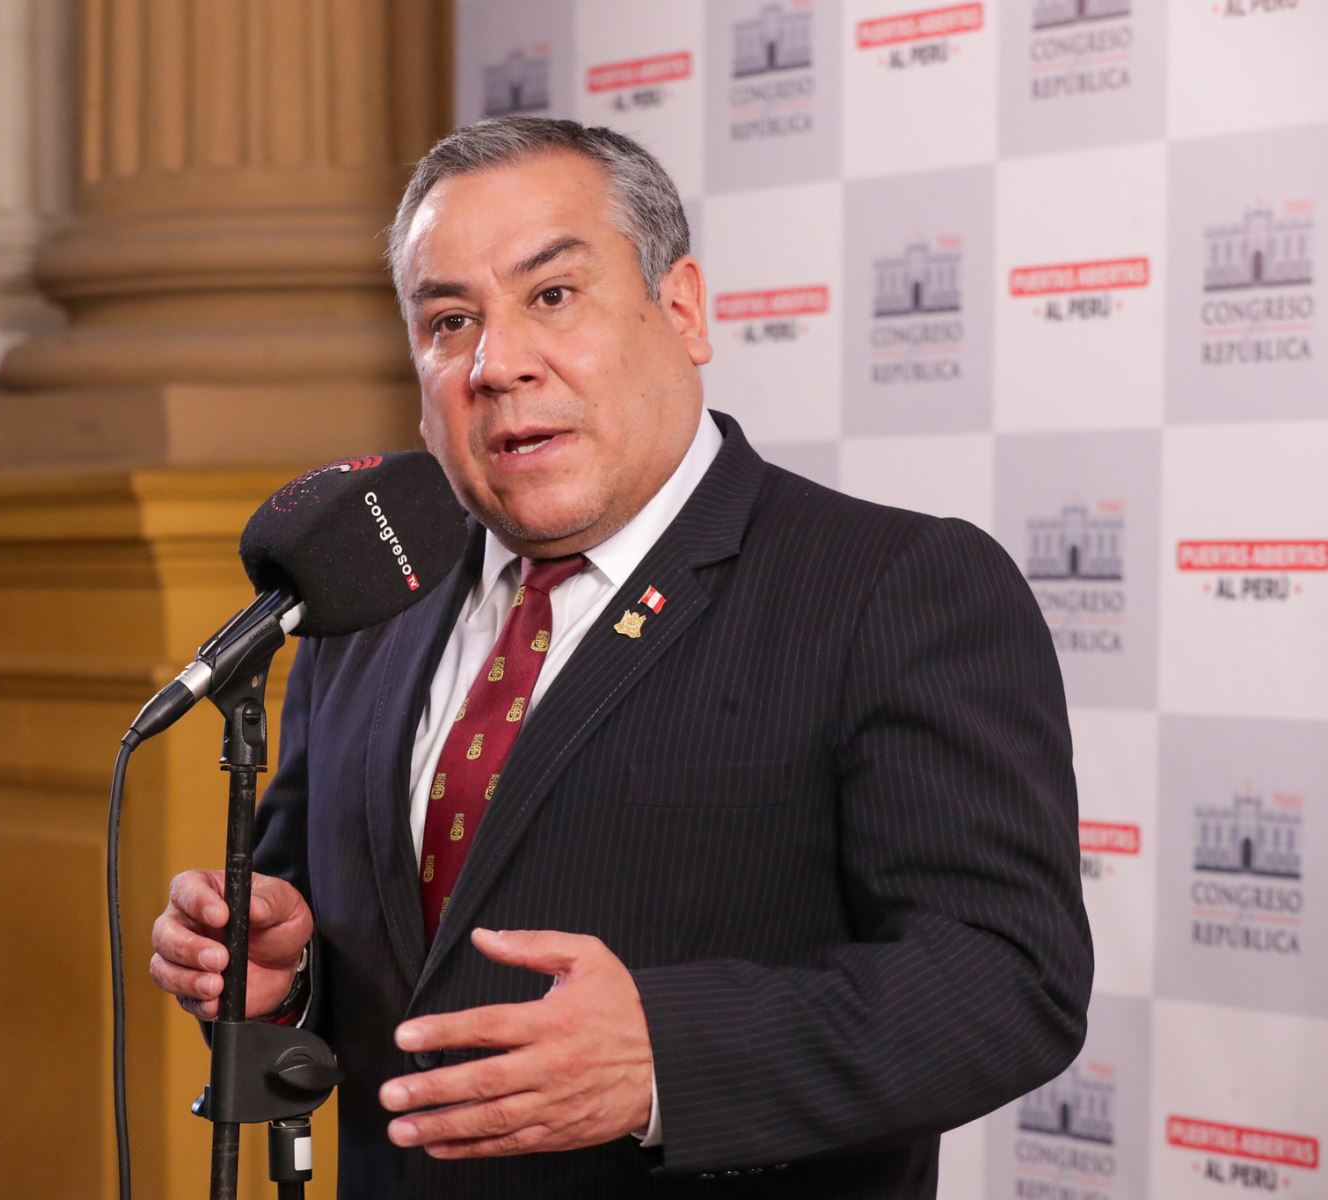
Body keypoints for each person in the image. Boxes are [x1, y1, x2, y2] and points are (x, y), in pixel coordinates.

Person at [149, 116, 1092, 1198]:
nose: (498, 365)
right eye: (451, 320)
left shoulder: (893, 585)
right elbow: (339, 940)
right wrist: (286, 979)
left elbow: (1009, 982)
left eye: (553, 296)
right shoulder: (367, 604)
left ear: (681, 308)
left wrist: (668, 1062)